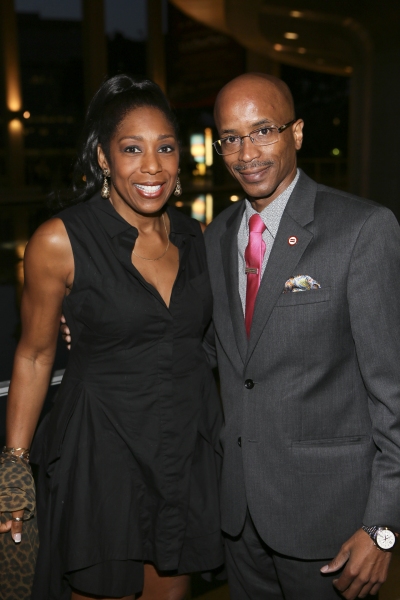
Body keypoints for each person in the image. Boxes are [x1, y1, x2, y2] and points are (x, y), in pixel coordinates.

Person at [0, 74, 223, 600]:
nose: (152, 166)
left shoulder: (198, 237)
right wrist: (12, 469)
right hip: (102, 452)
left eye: (165, 148)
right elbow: (33, 355)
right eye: (131, 149)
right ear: (103, 158)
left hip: (182, 450)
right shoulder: (59, 241)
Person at [202, 73, 400, 599]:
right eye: (230, 137)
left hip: (332, 527)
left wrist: (383, 529)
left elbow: (393, 392)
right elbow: (220, 354)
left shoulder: (363, 230)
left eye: (263, 129)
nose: (247, 153)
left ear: (298, 132)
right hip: (240, 522)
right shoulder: (217, 236)